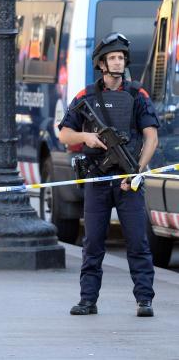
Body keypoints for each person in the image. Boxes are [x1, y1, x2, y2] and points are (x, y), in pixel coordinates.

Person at [57, 32, 159, 317]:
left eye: (121, 57)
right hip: (97, 179)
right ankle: (88, 300)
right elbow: (64, 134)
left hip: (129, 181)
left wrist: (136, 172)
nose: (117, 62)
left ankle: (144, 300)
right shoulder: (86, 95)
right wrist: (87, 137)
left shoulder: (137, 94)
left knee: (138, 242)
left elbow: (151, 138)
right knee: (92, 244)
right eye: (112, 58)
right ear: (101, 64)